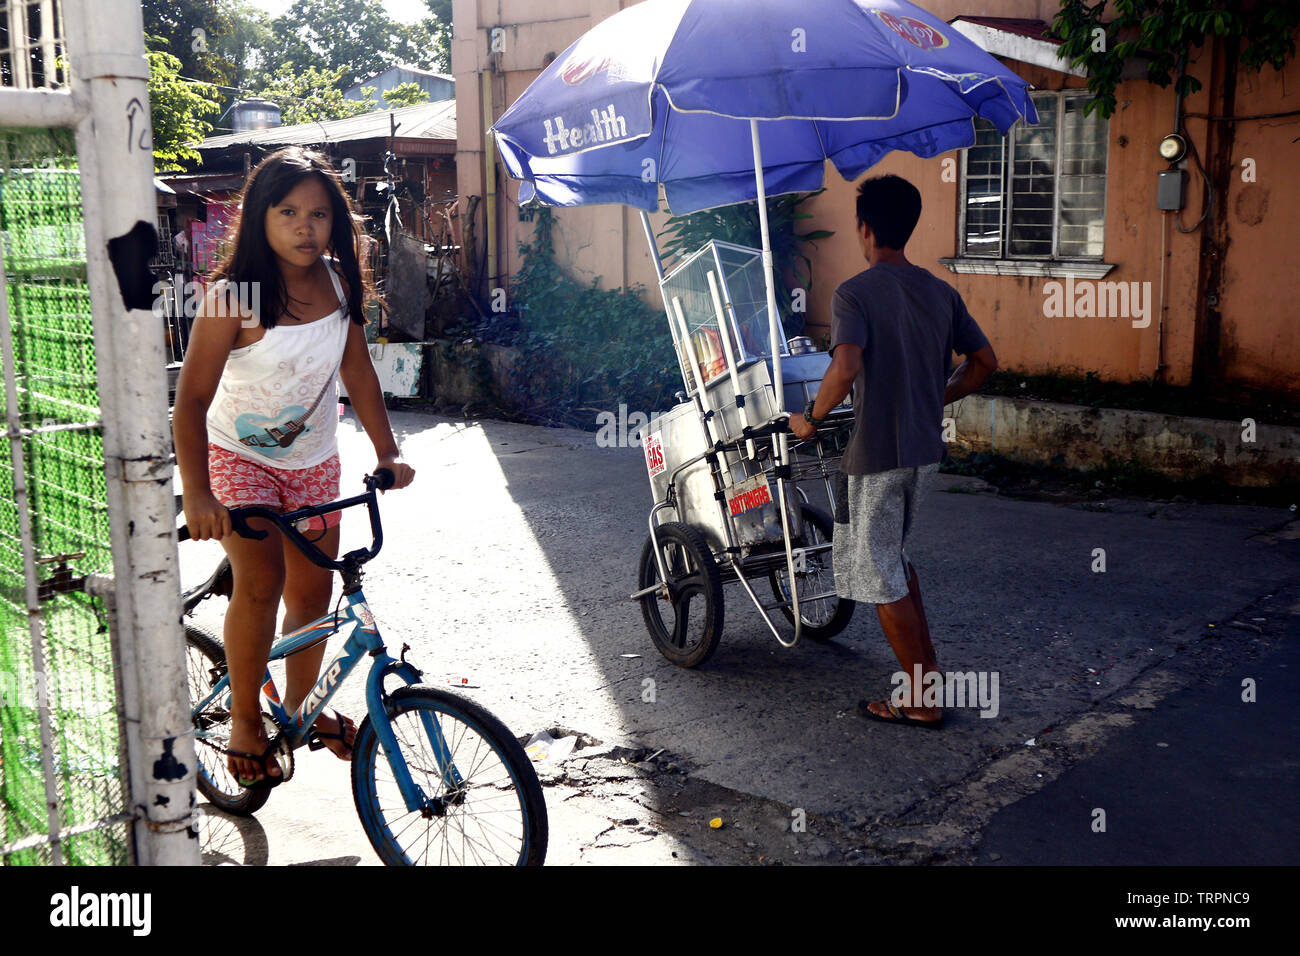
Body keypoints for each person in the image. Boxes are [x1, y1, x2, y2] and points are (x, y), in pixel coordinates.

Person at [174, 146, 415, 786]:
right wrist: (197, 494)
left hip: (312, 458)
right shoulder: (233, 297)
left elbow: (356, 368)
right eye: (289, 213)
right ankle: (247, 720)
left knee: (314, 590)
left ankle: (300, 712)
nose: (306, 228)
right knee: (262, 581)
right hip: (239, 456)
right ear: (261, 218)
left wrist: (387, 450)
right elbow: (192, 401)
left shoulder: (338, 283)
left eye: (319, 214)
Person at [789, 174, 997, 729]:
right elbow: (985, 364)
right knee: (894, 563)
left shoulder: (854, 292)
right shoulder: (940, 291)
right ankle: (926, 678)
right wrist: (937, 395)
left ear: (865, 228)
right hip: (924, 450)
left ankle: (922, 700)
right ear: (907, 226)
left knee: (880, 574)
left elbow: (845, 366)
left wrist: (808, 420)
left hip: (879, 451)